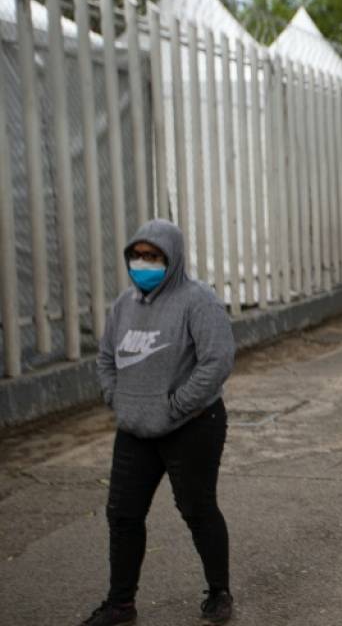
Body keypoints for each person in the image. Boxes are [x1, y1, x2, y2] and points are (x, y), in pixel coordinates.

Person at [82, 220, 236, 626]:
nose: (142, 263)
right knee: (123, 514)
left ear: (172, 259)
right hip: (135, 429)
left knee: (196, 509)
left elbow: (217, 360)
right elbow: (105, 358)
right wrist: (117, 399)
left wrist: (176, 406)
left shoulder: (197, 301)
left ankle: (219, 592)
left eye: (153, 256)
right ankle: (121, 604)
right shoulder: (124, 305)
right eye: (137, 255)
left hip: (193, 426)